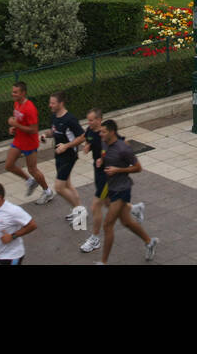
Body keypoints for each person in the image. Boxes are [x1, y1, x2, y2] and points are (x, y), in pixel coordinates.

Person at [76, 109, 143, 253]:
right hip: (99, 171)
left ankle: (94, 239)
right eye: (88, 120)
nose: (89, 123)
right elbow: (88, 139)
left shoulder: (108, 133)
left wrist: (118, 163)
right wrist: (89, 147)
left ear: (99, 120)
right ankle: (134, 209)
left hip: (107, 175)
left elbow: (122, 143)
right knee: (108, 202)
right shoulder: (91, 130)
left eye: (92, 120)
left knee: (95, 206)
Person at [98, 119, 158, 264]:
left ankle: (103, 262)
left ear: (112, 132)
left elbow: (138, 168)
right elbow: (105, 154)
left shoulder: (123, 149)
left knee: (107, 225)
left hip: (122, 189)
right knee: (126, 222)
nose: (101, 134)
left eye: (103, 131)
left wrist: (119, 170)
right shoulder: (104, 143)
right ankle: (149, 241)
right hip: (110, 187)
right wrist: (100, 161)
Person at [5, 82, 52, 204]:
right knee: (8, 165)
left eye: (16, 92)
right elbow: (19, 119)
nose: (13, 94)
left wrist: (16, 125)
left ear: (23, 93)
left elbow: (33, 130)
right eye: (13, 91)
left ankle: (47, 191)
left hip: (29, 143)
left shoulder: (30, 108)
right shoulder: (16, 103)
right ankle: (30, 181)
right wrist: (14, 128)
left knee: (32, 169)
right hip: (19, 140)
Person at [41, 90, 84, 221]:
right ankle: (78, 209)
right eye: (50, 103)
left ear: (61, 103)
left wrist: (66, 146)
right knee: (68, 185)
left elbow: (82, 136)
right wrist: (45, 135)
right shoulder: (54, 117)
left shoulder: (70, 119)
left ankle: (80, 211)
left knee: (59, 188)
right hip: (59, 155)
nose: (50, 105)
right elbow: (54, 131)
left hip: (69, 156)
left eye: (53, 103)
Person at [0, 182, 37, 265]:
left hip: (13, 255)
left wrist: (12, 236)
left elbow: (32, 225)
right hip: (1, 255)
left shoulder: (13, 211)